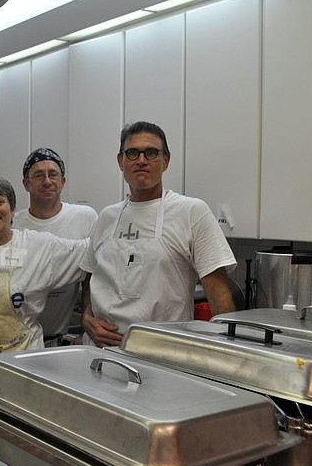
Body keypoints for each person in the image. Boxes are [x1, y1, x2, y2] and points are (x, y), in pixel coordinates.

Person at [0, 172, 87, 437]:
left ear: (12, 209)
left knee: (15, 442)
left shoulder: (39, 246)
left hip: (18, 368)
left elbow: (93, 253)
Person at [81, 121, 236, 347]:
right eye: (132, 153)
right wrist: (87, 319)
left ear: (166, 161)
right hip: (99, 354)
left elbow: (218, 293)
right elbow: (91, 280)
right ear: (120, 161)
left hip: (160, 356)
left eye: (151, 153)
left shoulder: (191, 212)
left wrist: (227, 352)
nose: (141, 160)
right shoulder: (107, 217)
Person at [13, 148, 98, 346]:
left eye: (53, 174)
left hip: (58, 339)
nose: (47, 181)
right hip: (16, 340)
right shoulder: (13, 225)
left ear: (63, 181)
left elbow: (92, 277)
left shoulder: (84, 217)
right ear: (27, 184)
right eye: (38, 175)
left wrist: (87, 328)